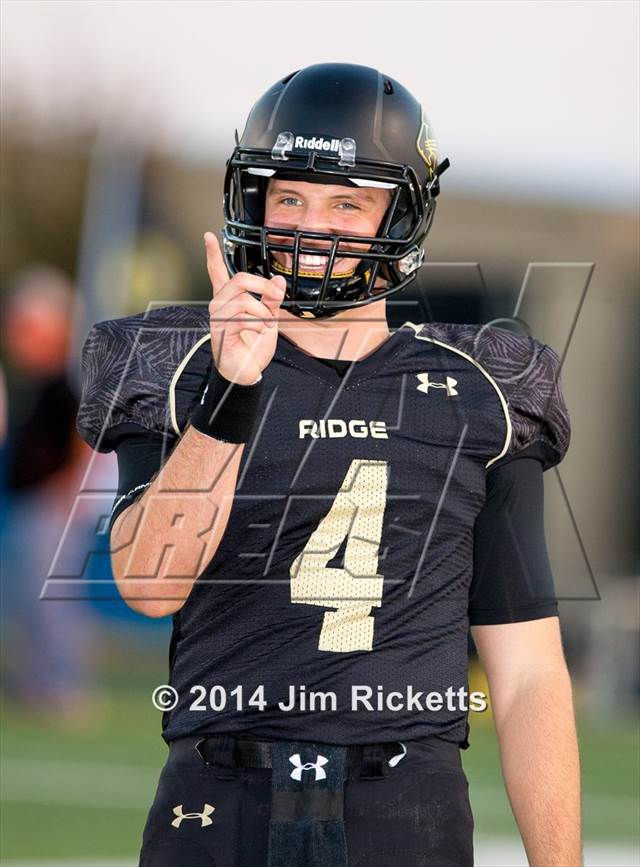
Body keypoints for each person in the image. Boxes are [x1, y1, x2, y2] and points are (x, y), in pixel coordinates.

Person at [76, 63, 581, 867]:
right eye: (291, 197)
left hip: (403, 805)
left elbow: (526, 674)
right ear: (253, 203)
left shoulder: (484, 387)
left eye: (349, 201)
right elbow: (148, 583)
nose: (314, 226)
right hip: (220, 795)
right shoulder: (179, 363)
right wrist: (231, 391)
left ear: (403, 213)